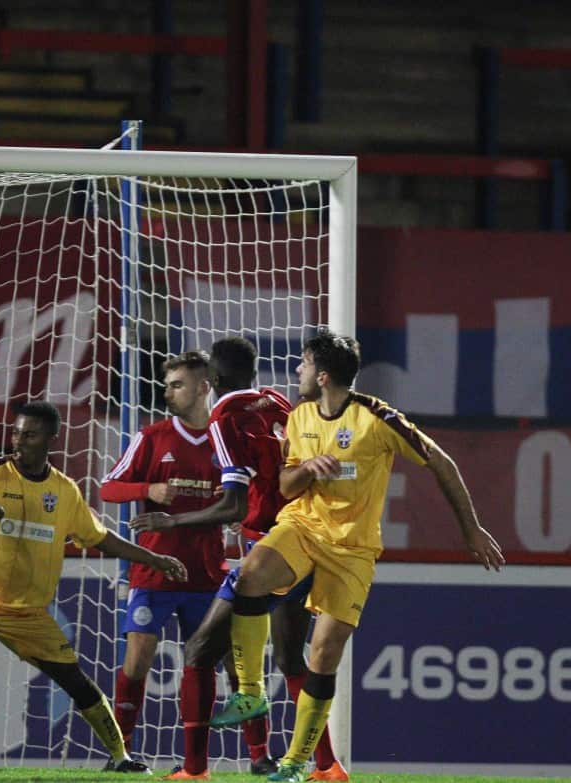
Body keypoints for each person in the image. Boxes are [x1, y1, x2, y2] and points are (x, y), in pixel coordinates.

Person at [211, 328, 505, 783]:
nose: (297, 371)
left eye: (304, 363)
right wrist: (308, 468)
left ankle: (296, 764)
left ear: (323, 375)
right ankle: (250, 693)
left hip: (353, 550)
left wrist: (472, 530)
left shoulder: (377, 418)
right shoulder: (299, 418)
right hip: (303, 528)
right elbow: (286, 487)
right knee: (249, 574)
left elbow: (442, 462)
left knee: (323, 654)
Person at [0, 400, 189, 774]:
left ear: (50, 440)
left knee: (73, 679)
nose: (18, 441)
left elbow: (100, 538)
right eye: (16, 433)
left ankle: (119, 756)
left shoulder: (65, 491)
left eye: (29, 435)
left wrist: (155, 559)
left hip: (25, 609)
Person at [130, 336, 342, 781]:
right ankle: (326, 765)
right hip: (306, 542)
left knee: (199, 650)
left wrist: (173, 522)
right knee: (289, 659)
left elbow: (233, 505)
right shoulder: (278, 403)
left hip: (270, 550)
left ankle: (194, 770)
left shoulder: (225, 418)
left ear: (213, 380)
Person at [99, 350, 226, 755]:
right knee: (137, 658)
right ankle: (122, 753)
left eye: (177, 385)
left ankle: (196, 759)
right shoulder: (152, 438)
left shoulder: (226, 440)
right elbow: (108, 488)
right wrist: (146, 490)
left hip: (205, 574)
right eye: (167, 385)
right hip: (154, 571)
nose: (168, 392)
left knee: (201, 664)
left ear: (203, 387)